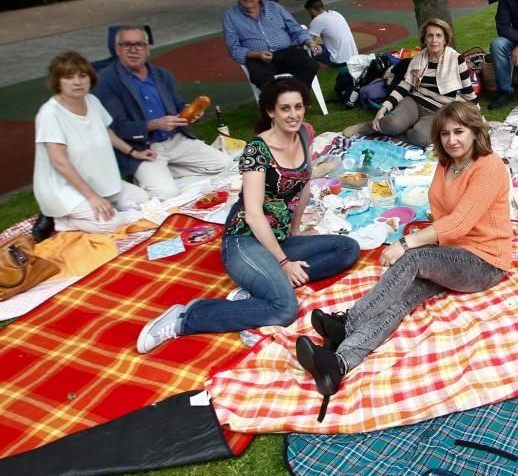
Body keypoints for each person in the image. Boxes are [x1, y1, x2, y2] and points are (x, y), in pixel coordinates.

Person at [295, 101, 512, 420]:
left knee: (413, 257)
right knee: (403, 298)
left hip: (484, 261)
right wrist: (429, 240)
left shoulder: (488, 166)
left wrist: (406, 242)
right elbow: (440, 212)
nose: (452, 140)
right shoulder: (446, 163)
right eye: (446, 133)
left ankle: (348, 323)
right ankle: (339, 363)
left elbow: (461, 222)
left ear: (475, 131)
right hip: (451, 254)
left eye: (459, 132)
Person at [137, 77, 361, 354]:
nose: (293, 115)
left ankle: (263, 286)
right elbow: (254, 215)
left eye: (298, 107)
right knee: (284, 309)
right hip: (245, 239)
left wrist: (295, 232)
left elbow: (303, 184)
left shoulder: (304, 134)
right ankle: (187, 317)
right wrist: (283, 262)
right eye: (285, 109)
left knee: (347, 248)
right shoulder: (257, 150)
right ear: (271, 112)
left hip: (279, 237)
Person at [95, 26, 232, 199]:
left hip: (176, 140)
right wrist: (154, 124)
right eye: (126, 45)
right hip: (144, 147)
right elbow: (118, 128)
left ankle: (162, 171)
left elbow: (178, 103)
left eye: (139, 44)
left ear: (147, 49)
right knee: (166, 193)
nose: (133, 50)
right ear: (117, 49)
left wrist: (189, 112)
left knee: (224, 163)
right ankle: (151, 174)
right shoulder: (106, 81)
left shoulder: (161, 74)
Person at [34, 52, 153, 233]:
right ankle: (61, 222)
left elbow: (107, 132)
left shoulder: (92, 100)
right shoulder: (50, 114)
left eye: (82, 76)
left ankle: (102, 211)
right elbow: (60, 162)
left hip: (98, 180)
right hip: (64, 188)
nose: (77, 82)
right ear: (57, 82)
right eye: (69, 77)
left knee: (142, 199)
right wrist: (92, 197)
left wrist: (133, 152)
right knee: (112, 223)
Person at [343, 18, 477, 146]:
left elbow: (468, 92)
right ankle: (367, 127)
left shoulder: (456, 60)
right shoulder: (418, 59)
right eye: (430, 36)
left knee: (420, 138)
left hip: (440, 110)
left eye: (438, 36)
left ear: (445, 39)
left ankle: (399, 131)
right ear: (424, 39)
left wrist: (479, 118)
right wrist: (384, 107)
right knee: (392, 124)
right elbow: (405, 86)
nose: (434, 40)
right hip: (415, 101)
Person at [223, 0, 320, 89]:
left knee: (309, 65)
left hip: (286, 53)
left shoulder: (274, 7)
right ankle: (278, 103)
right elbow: (234, 49)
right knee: (259, 77)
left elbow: (296, 29)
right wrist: (256, 54)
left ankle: (296, 99)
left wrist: (310, 42)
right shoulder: (230, 16)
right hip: (257, 58)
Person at [304, 0, 358, 68]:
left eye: (309, 12)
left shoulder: (317, 20)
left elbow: (308, 39)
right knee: (320, 46)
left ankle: (313, 69)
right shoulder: (335, 13)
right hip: (354, 57)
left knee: (307, 48)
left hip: (339, 61)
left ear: (312, 10)